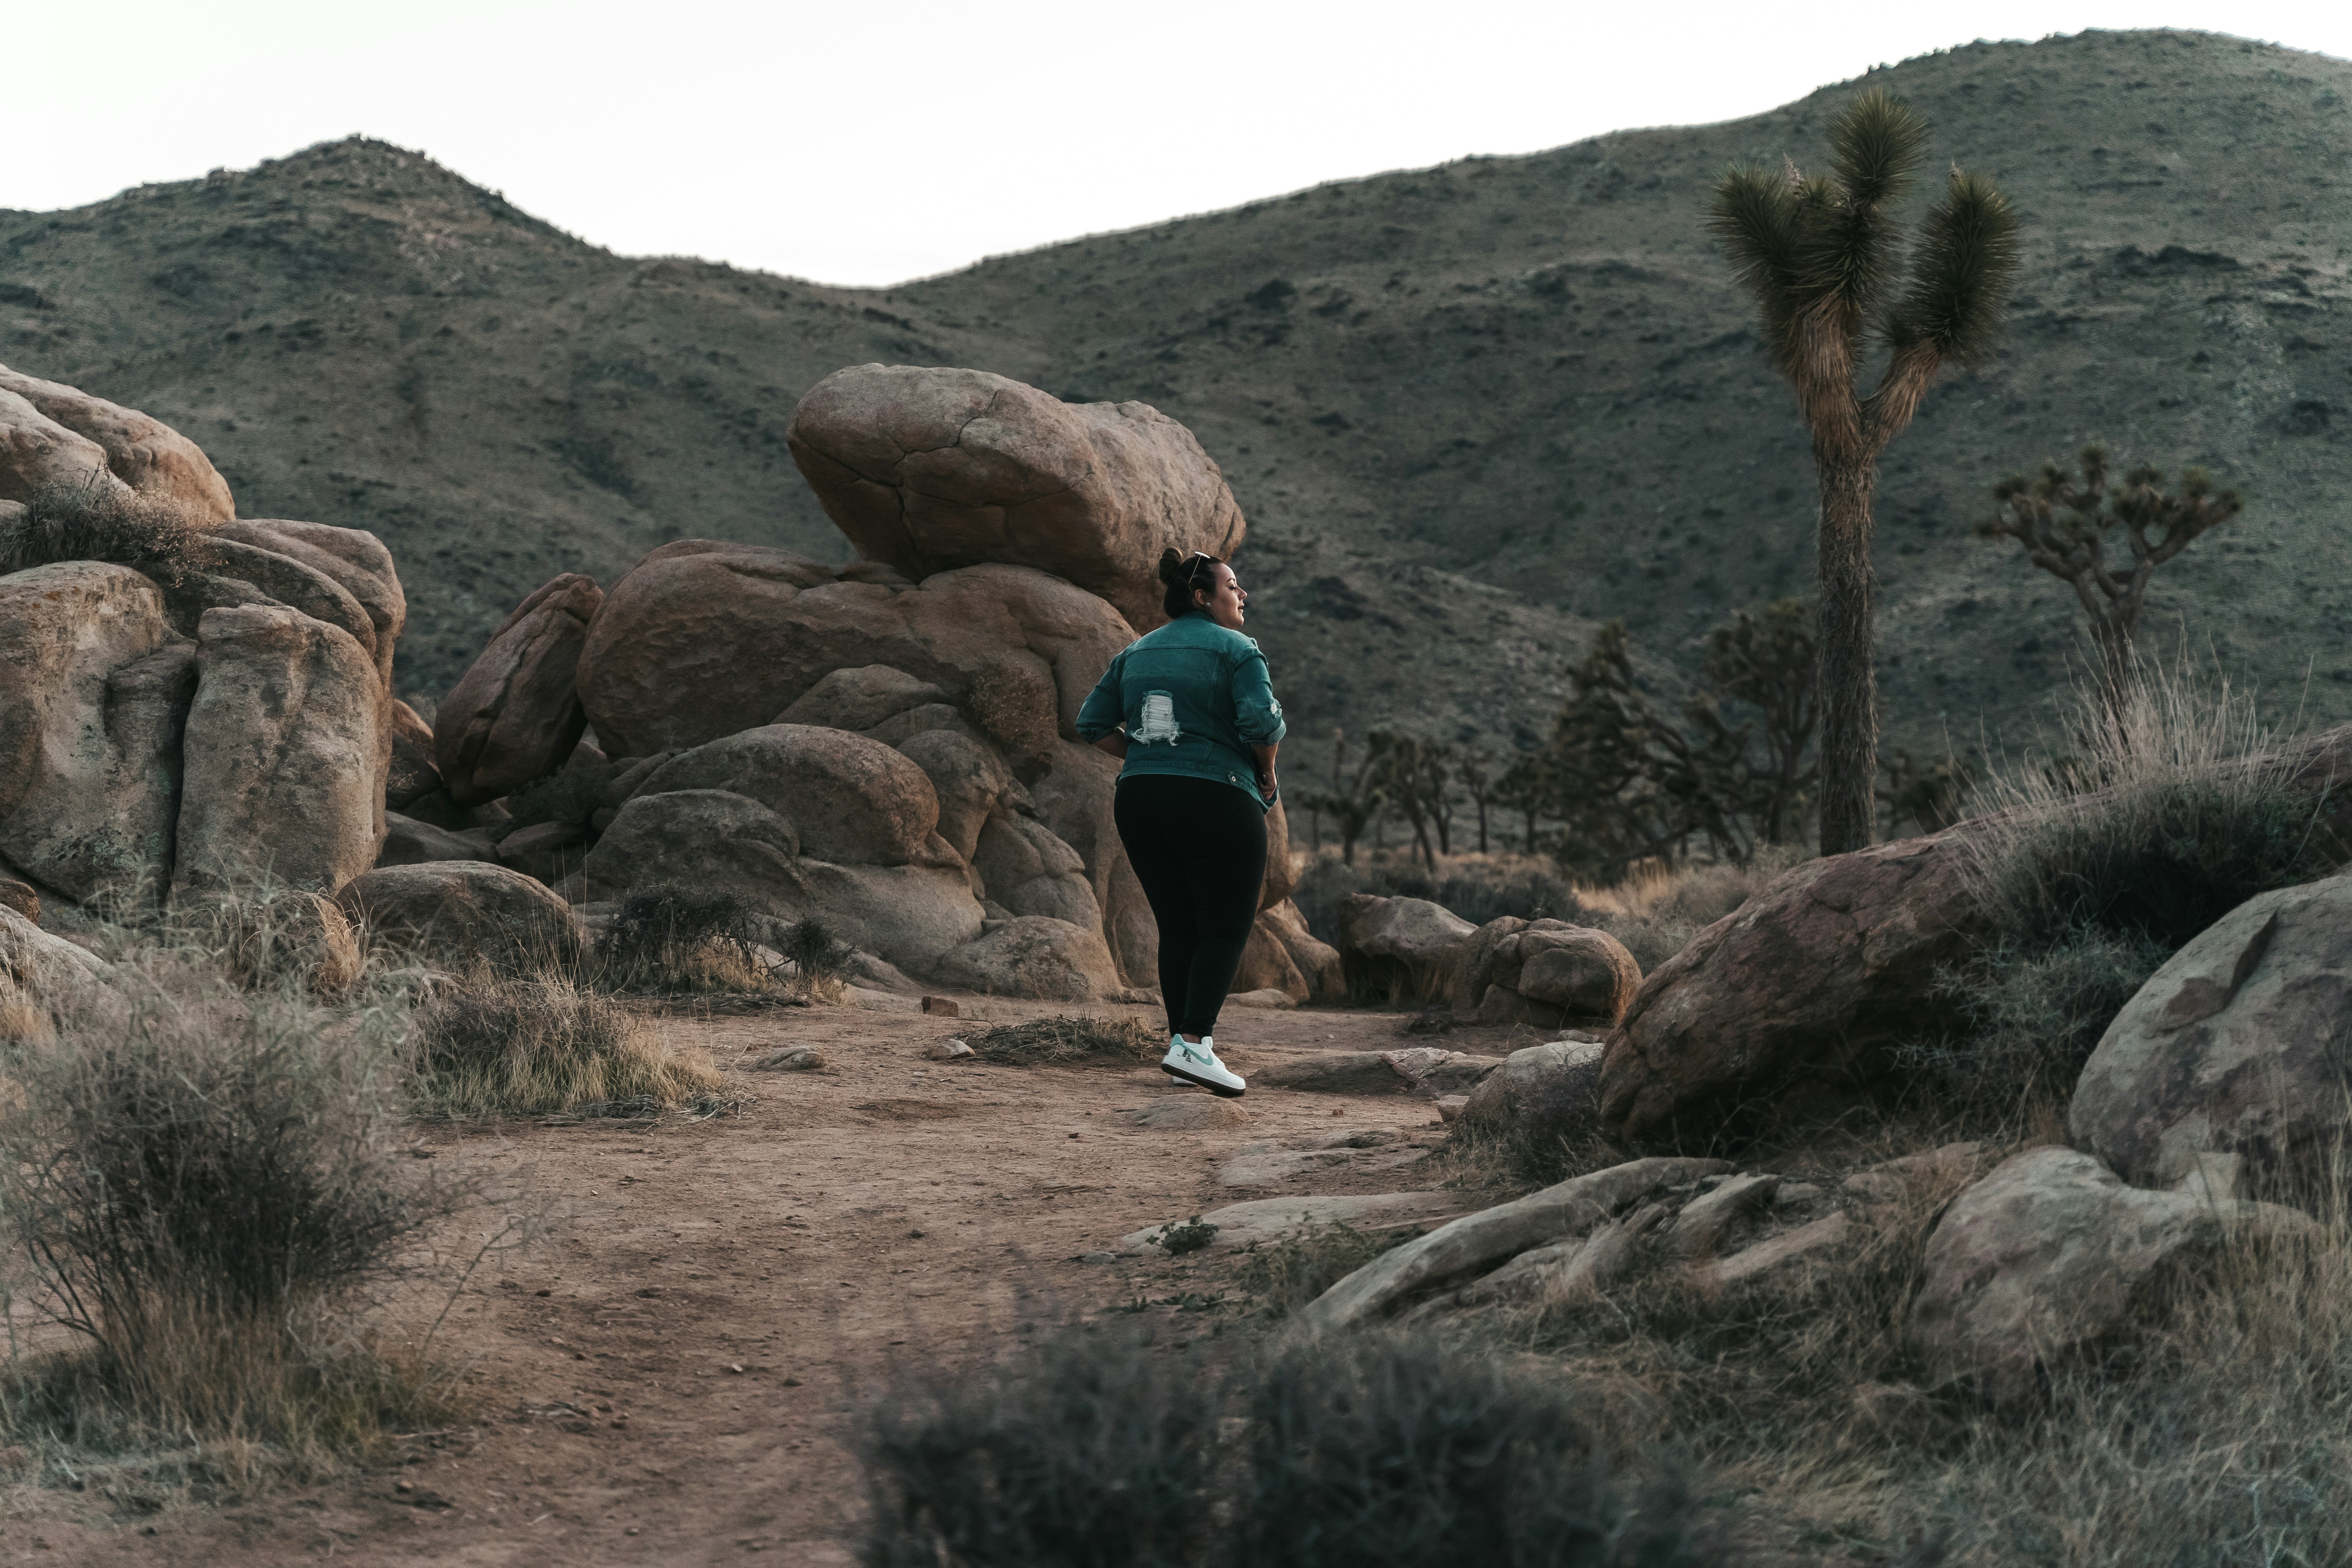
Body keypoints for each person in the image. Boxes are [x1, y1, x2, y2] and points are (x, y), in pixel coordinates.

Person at [1075, 549, 1284, 1097]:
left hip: (1141, 800)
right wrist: (1264, 772)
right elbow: (1263, 722)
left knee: (1180, 927)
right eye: (1233, 585)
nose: (1243, 595)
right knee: (1223, 928)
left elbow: (1092, 723)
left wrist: (1149, 757)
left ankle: (1184, 1047)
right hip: (1218, 798)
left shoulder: (1136, 651)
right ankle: (1194, 1042)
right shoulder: (1240, 650)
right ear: (1201, 596)